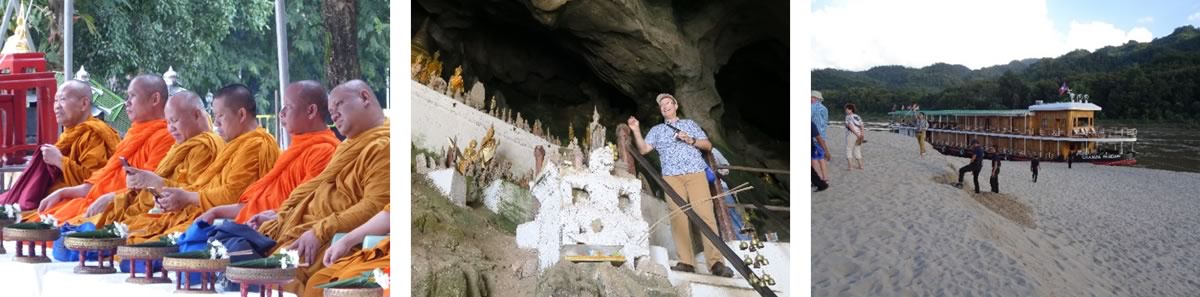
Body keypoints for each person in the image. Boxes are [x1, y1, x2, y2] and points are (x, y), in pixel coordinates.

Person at [254, 80, 389, 295]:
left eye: (339, 105)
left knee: (292, 276)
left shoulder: (384, 145)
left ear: (364, 97)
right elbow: (317, 190)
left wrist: (321, 231)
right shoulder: (347, 146)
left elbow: (375, 206)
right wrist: (281, 214)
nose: (333, 115)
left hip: (334, 239)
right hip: (307, 232)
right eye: (331, 111)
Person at [115, 84, 281, 245]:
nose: (216, 123)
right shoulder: (235, 144)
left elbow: (232, 194)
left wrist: (185, 196)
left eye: (220, 116)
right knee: (136, 237)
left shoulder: (255, 145)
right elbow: (206, 185)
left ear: (242, 115)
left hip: (223, 218)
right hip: (200, 210)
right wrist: (173, 196)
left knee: (142, 244)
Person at [31, 75, 176, 223]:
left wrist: (112, 198)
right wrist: (63, 192)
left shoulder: (166, 137)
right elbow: (101, 180)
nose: (127, 102)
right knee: (38, 220)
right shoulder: (133, 135)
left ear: (155, 99)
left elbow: (149, 189)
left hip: (124, 209)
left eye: (132, 96)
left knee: (57, 230)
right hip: (97, 201)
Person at [194, 81, 340, 226]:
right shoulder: (296, 149)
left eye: (288, 107)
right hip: (255, 225)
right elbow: (257, 204)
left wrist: (273, 219)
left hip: (280, 233)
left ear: (311, 111)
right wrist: (216, 212)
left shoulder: (323, 152)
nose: (281, 113)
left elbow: (305, 207)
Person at [627, 93, 734, 278]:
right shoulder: (657, 130)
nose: (665, 106)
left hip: (695, 173)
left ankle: (716, 262)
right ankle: (686, 261)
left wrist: (690, 140)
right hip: (671, 177)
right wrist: (635, 129)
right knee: (678, 218)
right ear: (661, 110)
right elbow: (644, 149)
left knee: (705, 215)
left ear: (676, 106)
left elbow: (707, 145)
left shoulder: (690, 124)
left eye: (669, 103)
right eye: (662, 105)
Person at [88, 91, 223, 226]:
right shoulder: (181, 145)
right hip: (149, 207)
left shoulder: (205, 147)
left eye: (174, 121)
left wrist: (155, 182)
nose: (171, 128)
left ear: (196, 115)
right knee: (90, 222)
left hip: (172, 215)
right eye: (168, 122)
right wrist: (139, 183)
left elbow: (195, 196)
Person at [0, 80, 119, 211]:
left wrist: (59, 161)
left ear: (84, 103)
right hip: (55, 196)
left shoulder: (93, 134)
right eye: (55, 101)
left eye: (62, 100)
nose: (56, 106)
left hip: (77, 202)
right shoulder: (70, 134)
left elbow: (94, 184)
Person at [305, 204, 391, 297]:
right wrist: (345, 242)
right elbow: (389, 215)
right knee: (318, 281)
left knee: (349, 283)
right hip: (384, 250)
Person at [811, 91, 830, 181]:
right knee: (821, 157)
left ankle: (817, 178)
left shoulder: (811, 107)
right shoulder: (825, 108)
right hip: (822, 135)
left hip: (814, 136)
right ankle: (825, 177)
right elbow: (825, 123)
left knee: (814, 158)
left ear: (814, 98)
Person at [844, 103, 865, 170]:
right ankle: (861, 166)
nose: (846, 110)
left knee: (849, 149)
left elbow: (850, 126)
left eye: (847, 109)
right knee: (857, 149)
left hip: (851, 134)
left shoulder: (848, 117)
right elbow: (862, 125)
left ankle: (850, 166)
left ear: (850, 109)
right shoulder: (857, 116)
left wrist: (856, 134)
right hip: (859, 134)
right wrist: (862, 134)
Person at [812, 121, 830, 191]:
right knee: (821, 159)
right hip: (822, 137)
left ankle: (819, 179)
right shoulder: (824, 110)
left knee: (814, 160)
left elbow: (817, 136)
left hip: (815, 140)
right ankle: (825, 178)